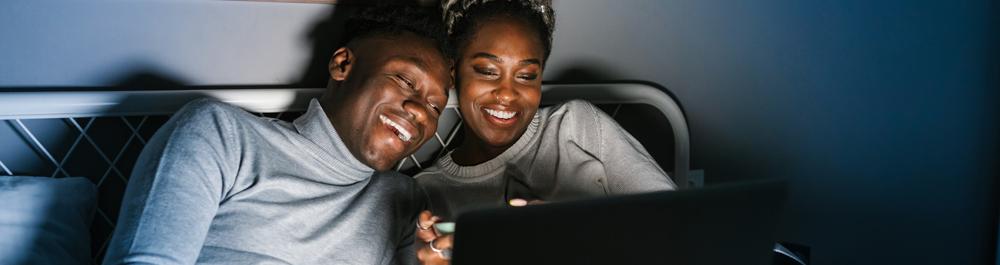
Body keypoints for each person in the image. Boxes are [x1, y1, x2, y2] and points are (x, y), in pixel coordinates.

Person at [103, 5, 452, 264]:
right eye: (406, 81)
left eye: (437, 107)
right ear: (343, 65)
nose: (422, 112)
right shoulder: (222, 135)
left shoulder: (405, 200)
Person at [413, 0, 676, 263]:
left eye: (526, 75)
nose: (507, 94)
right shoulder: (424, 194)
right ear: (453, 71)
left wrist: (571, 234)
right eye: (487, 71)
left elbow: (678, 225)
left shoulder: (578, 127)